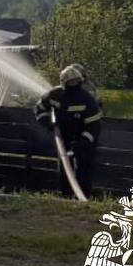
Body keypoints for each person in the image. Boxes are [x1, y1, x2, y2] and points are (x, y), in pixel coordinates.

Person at [34, 64, 104, 196]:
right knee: (64, 170)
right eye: (71, 82)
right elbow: (40, 108)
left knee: (84, 170)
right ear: (64, 84)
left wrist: (81, 143)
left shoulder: (87, 99)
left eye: (77, 82)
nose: (74, 85)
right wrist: (48, 123)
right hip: (63, 138)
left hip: (84, 140)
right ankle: (65, 197)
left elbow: (94, 126)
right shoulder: (54, 95)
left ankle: (83, 200)